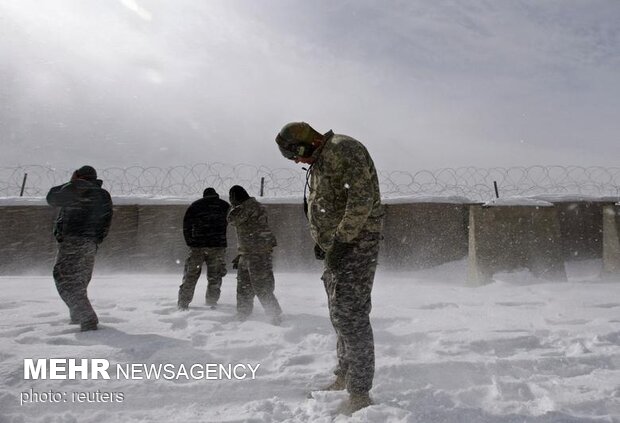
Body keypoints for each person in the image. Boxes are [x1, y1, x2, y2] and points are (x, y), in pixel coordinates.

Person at [275, 122, 383, 413]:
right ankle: (345, 375)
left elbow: (362, 199)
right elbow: (328, 202)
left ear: (305, 145)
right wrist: (324, 242)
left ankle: (359, 392)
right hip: (339, 246)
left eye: (294, 155)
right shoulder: (322, 159)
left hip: (356, 244)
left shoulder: (342, 149)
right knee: (339, 314)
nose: (296, 161)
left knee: (351, 316)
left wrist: (342, 241)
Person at [46, 165, 113, 332]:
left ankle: (86, 316)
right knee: (80, 280)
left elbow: (52, 198)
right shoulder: (103, 194)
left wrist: (71, 182)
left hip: (73, 240)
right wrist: (96, 239)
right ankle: (77, 314)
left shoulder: (77, 186)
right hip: (91, 243)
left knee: (64, 279)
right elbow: (107, 220)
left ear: (78, 175)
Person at [227, 185, 282, 325]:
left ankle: (274, 315)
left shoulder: (245, 208)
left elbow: (231, 219)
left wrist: (232, 206)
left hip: (256, 253)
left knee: (261, 286)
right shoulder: (256, 206)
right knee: (244, 286)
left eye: (231, 198)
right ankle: (243, 315)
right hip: (249, 252)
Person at [178, 187, 230, 310]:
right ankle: (212, 302)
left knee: (191, 276)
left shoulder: (196, 205)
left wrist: (191, 242)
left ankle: (183, 303)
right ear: (216, 195)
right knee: (215, 276)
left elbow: (187, 226)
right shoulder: (224, 206)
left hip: (198, 246)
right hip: (217, 246)